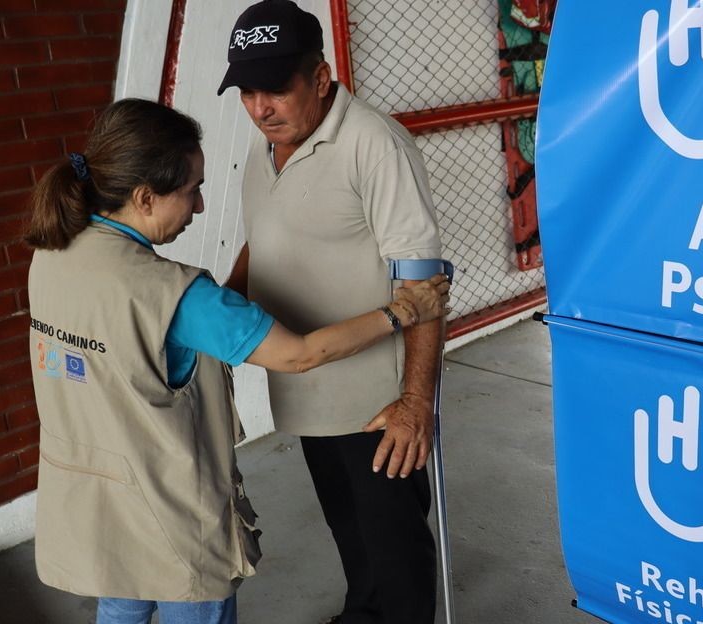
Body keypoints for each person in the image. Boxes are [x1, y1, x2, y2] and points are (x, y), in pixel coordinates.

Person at [23, 98, 449, 624]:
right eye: (191, 191)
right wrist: (403, 310)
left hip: (98, 504)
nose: (199, 207)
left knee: (121, 605)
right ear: (144, 197)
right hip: (172, 518)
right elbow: (300, 354)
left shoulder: (53, 253)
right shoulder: (177, 295)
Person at [217, 1, 446, 622]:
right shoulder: (266, 150)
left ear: (319, 79)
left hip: (378, 403)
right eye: (247, 92)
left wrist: (414, 403)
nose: (259, 108)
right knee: (351, 534)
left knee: (396, 548)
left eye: (275, 90)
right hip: (307, 389)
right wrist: (218, 313)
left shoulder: (375, 144)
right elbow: (263, 241)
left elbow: (426, 289)